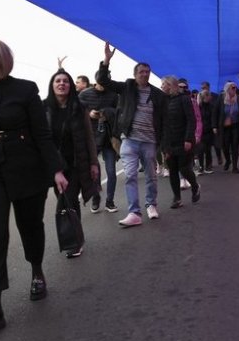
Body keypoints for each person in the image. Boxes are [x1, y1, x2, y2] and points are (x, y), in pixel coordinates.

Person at [0, 39, 68, 341]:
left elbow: (41, 133)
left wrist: (56, 169)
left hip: (26, 166)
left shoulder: (25, 89)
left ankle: (37, 272)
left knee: (30, 226)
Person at [95, 44, 165, 228]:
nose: (145, 74)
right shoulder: (127, 87)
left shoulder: (157, 94)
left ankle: (151, 205)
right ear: (135, 74)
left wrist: (162, 142)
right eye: (141, 71)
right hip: (130, 140)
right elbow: (103, 79)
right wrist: (106, 60)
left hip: (149, 141)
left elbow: (164, 119)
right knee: (130, 176)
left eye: (147, 72)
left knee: (151, 176)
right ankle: (134, 212)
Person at [44, 69, 99, 255]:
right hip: (54, 165)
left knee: (68, 198)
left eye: (65, 81)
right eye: (58, 81)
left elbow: (89, 137)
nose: (62, 84)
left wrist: (93, 163)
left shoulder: (79, 107)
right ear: (52, 85)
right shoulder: (44, 108)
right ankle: (77, 235)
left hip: (76, 162)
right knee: (66, 199)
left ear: (70, 86)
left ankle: (74, 241)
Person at [78, 67, 120, 212]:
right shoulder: (84, 94)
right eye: (102, 81)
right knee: (94, 171)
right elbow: (76, 112)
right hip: (91, 138)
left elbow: (119, 112)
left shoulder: (114, 95)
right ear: (96, 80)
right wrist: (88, 114)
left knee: (111, 171)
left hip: (108, 137)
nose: (104, 84)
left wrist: (106, 112)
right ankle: (96, 198)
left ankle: (110, 201)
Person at [160, 76, 200, 208]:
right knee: (173, 170)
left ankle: (195, 186)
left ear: (170, 85)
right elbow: (162, 125)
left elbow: (191, 120)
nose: (162, 87)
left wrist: (188, 139)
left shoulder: (184, 99)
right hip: (169, 142)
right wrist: (164, 146)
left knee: (184, 168)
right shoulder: (163, 101)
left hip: (184, 140)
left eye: (163, 84)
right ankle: (177, 198)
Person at [213, 82, 239, 173]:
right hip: (224, 127)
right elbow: (215, 113)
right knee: (225, 146)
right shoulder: (221, 98)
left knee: (235, 145)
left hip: (236, 125)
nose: (234, 89)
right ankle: (228, 160)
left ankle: (235, 167)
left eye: (235, 88)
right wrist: (214, 126)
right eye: (232, 88)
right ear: (227, 89)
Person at [197, 83, 219, 173]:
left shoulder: (211, 106)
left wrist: (214, 127)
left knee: (208, 149)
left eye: (208, 95)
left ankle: (208, 166)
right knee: (201, 149)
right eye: (206, 96)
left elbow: (214, 117)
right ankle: (201, 166)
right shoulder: (198, 107)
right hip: (201, 131)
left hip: (209, 130)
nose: (208, 97)